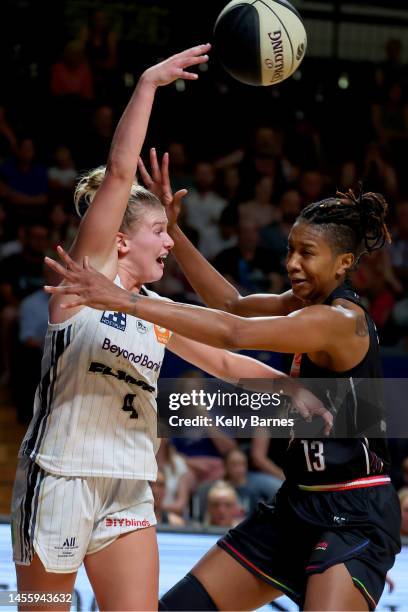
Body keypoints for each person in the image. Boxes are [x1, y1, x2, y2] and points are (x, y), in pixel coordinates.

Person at [13, 45, 324, 612]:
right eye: (160, 230)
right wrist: (149, 85)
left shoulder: (154, 310)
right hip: (61, 475)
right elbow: (119, 172)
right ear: (122, 241)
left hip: (129, 483)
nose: (168, 241)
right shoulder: (84, 284)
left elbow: (226, 359)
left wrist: (287, 388)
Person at [47, 177, 401, 611]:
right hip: (299, 502)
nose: (292, 263)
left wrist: (123, 301)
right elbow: (230, 304)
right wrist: (176, 233)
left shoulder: (341, 319)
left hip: (355, 508)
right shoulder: (303, 303)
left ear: (344, 263)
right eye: (290, 248)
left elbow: (234, 334)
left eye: (307, 253)